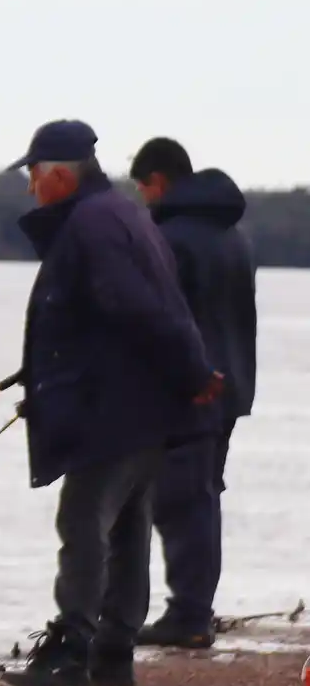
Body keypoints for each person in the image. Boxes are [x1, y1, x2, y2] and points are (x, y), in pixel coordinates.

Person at [0, 121, 222, 686]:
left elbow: (143, 310)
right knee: (126, 530)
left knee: (83, 524)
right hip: (140, 406)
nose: (30, 188)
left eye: (32, 175)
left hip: (113, 409)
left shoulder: (93, 224)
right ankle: (113, 657)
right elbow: (121, 315)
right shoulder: (120, 213)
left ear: (56, 175)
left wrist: (193, 373)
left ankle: (70, 650)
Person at [129, 137, 257, 649]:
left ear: (158, 181)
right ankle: (194, 607)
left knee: (181, 500)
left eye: (142, 188)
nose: (142, 199)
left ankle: (188, 614)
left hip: (190, 387)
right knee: (204, 495)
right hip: (233, 384)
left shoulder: (168, 238)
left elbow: (161, 319)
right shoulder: (235, 236)